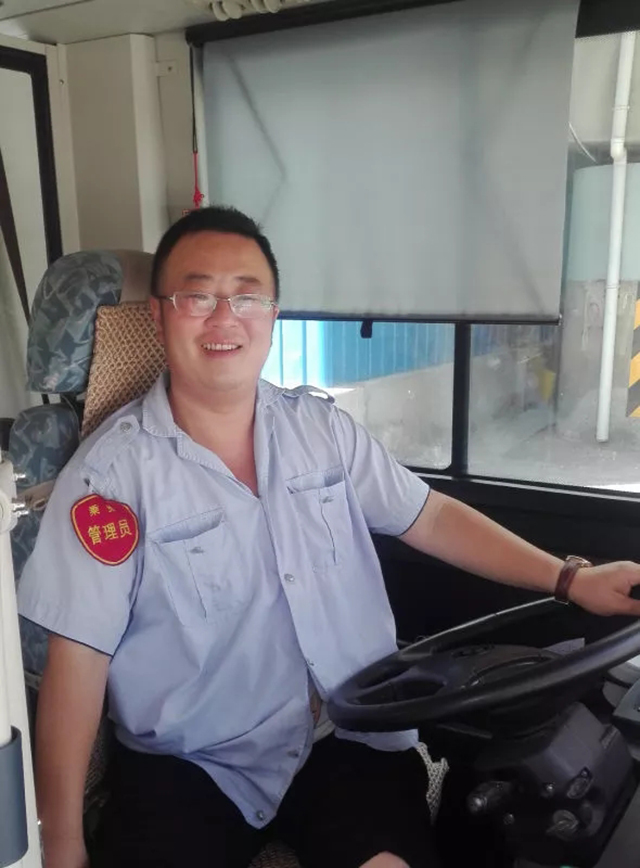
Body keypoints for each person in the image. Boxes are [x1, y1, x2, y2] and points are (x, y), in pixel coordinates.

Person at [18, 206, 640, 868]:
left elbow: (428, 516)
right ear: (159, 315)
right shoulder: (108, 480)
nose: (225, 318)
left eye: (247, 297)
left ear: (273, 315)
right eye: (198, 296)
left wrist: (570, 578)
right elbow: (76, 664)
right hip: (189, 763)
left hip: (339, 737)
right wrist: (61, 845)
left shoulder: (320, 430)